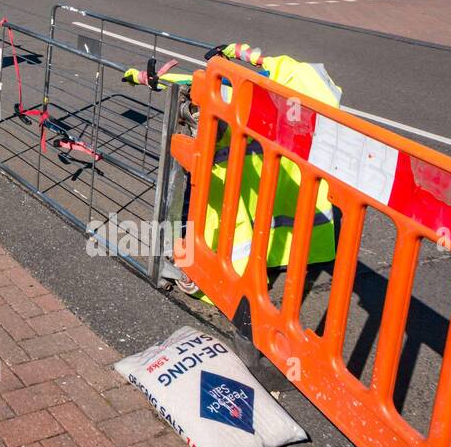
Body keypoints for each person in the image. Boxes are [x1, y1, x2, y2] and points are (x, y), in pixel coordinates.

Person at [123, 42, 340, 288]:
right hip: (310, 240)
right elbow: (262, 63)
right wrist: (238, 52)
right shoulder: (306, 86)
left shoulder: (241, 95)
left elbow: (201, 85)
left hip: (246, 239)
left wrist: (144, 78)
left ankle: (206, 277)